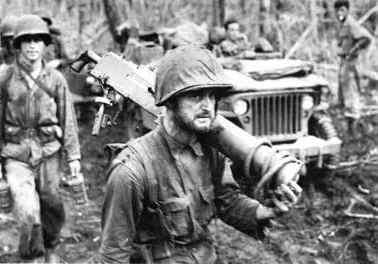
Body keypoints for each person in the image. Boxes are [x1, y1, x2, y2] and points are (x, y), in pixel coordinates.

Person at [91, 46, 303, 263]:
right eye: (195, 95)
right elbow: (113, 256)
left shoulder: (211, 150)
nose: (207, 106)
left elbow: (227, 202)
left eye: (212, 96)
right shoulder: (131, 170)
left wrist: (266, 211)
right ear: (170, 100)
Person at [0, 14, 81, 262]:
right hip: (15, 154)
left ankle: (50, 247)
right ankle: (33, 257)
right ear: (17, 45)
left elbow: (67, 119)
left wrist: (74, 157)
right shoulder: (3, 78)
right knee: (27, 212)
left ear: (45, 44)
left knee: (52, 204)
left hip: (49, 151)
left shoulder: (56, 79)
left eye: (38, 40)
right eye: (26, 41)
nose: (32, 46)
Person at [334, 0, 372, 134]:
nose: (339, 13)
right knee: (344, 97)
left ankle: (355, 132)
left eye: (342, 10)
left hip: (350, 64)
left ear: (347, 10)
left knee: (351, 96)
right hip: (344, 63)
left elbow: (366, 38)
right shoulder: (343, 25)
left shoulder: (351, 23)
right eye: (337, 10)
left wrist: (353, 51)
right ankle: (351, 131)